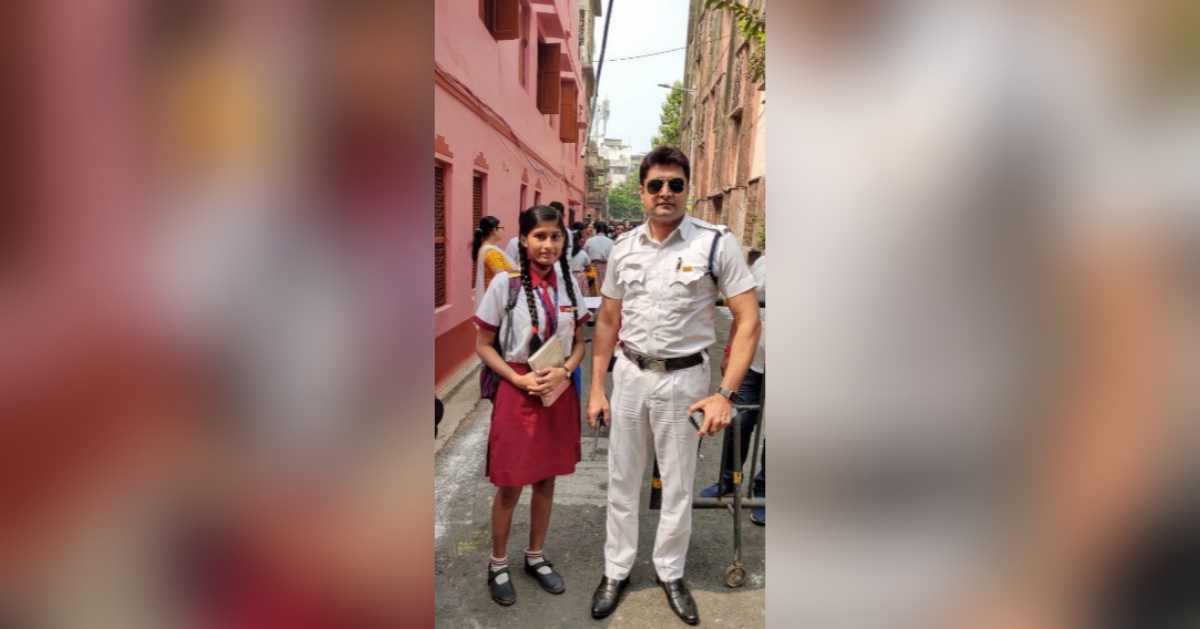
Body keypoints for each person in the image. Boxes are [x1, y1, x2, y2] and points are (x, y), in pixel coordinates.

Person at [587, 146, 761, 625]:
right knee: (622, 480)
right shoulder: (624, 248)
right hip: (630, 375)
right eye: (656, 185)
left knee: (679, 486)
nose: (665, 192)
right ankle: (616, 570)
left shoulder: (714, 243)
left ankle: (670, 572)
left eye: (675, 184)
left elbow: (748, 319)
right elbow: (608, 319)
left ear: (688, 189)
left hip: (685, 381)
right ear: (642, 191)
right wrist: (597, 388)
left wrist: (725, 394)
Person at [473, 205, 590, 607]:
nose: (548, 244)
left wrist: (566, 371)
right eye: (539, 236)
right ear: (524, 240)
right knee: (510, 485)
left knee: (546, 480)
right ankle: (498, 564)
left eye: (555, 237)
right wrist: (517, 378)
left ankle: (535, 556)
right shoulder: (505, 285)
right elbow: (483, 345)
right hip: (518, 389)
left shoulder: (569, 284)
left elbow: (579, 344)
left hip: (557, 390)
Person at [701, 253, 766, 525]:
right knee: (739, 422)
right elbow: (743, 314)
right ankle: (728, 481)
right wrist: (729, 351)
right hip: (752, 361)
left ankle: (764, 491)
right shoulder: (763, 262)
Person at [472, 216, 513, 305]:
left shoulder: (488, 248)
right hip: (495, 298)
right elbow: (502, 278)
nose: (502, 231)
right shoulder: (491, 252)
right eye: (501, 228)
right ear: (495, 230)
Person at [582, 221, 614, 292]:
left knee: (593, 289)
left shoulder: (590, 240)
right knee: (604, 288)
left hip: (592, 267)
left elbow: (584, 254)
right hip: (606, 267)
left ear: (596, 230)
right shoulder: (611, 242)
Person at [568, 228, 595, 297]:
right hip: (580, 277)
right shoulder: (583, 253)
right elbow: (588, 268)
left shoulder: (564, 254)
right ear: (579, 241)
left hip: (567, 276)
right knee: (583, 297)